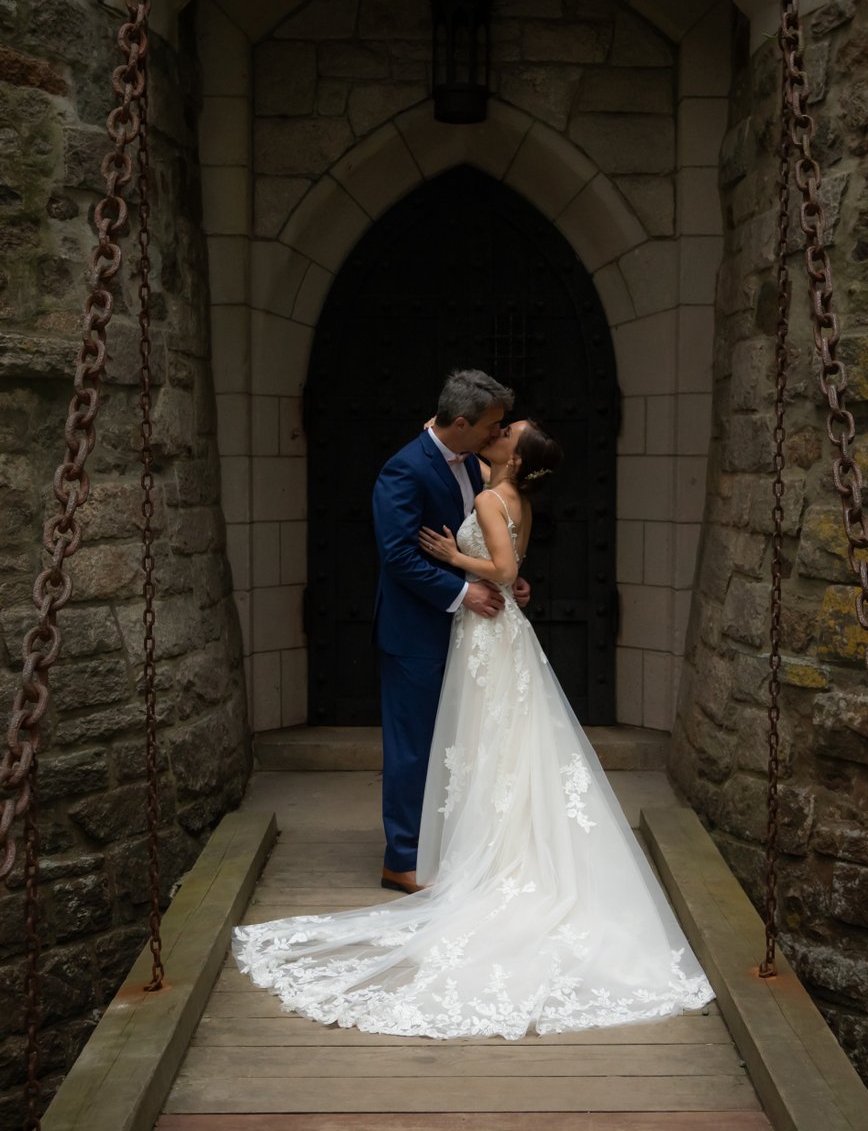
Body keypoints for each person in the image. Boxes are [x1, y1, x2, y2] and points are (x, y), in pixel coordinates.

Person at [233, 418, 714, 1039]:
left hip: (487, 629)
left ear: (513, 455)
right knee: (497, 743)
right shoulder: (481, 481)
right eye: (499, 421)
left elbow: (502, 563)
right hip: (490, 628)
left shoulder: (490, 493)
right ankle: (464, 846)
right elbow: (501, 558)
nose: (502, 429)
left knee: (487, 741)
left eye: (510, 430)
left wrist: (462, 562)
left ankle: (479, 856)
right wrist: (493, 574)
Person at [369, 369, 530, 896]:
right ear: (461, 422)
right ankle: (404, 860)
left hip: (465, 632)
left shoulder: (472, 462)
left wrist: (506, 580)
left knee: (453, 745)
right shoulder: (404, 470)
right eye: (492, 424)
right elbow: (397, 557)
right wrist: (463, 594)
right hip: (416, 632)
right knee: (413, 747)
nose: (496, 433)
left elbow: (481, 541)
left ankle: (447, 844)